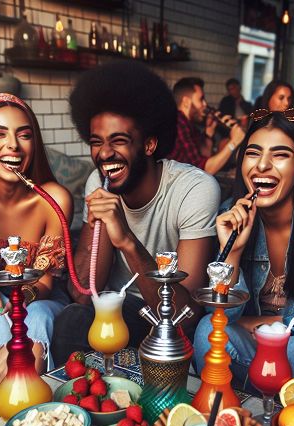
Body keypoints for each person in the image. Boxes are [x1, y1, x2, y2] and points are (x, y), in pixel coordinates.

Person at [51, 61, 220, 365]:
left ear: (150, 144)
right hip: (115, 311)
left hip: (164, 315)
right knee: (72, 320)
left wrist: (127, 240)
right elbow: (83, 293)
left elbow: (186, 315)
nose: (104, 154)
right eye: (97, 142)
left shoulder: (195, 189)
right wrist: (101, 226)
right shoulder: (97, 181)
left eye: (119, 141)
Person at [193, 109, 294, 398]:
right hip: (251, 350)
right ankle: (227, 421)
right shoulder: (230, 215)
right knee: (209, 331)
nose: (263, 166)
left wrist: (261, 324)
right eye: (253, 153)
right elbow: (218, 314)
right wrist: (232, 252)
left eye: (279, 155)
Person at [0, 93, 72, 397]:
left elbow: (46, 280)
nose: (13, 145)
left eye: (24, 135)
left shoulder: (53, 199)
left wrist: (16, 340)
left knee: (40, 321)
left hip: (41, 297)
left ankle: (40, 420)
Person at [167, 77, 245, 175]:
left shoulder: (188, 124)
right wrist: (234, 142)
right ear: (186, 102)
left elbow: (204, 156)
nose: (205, 104)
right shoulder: (178, 123)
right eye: (201, 99)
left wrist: (209, 132)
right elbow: (201, 171)